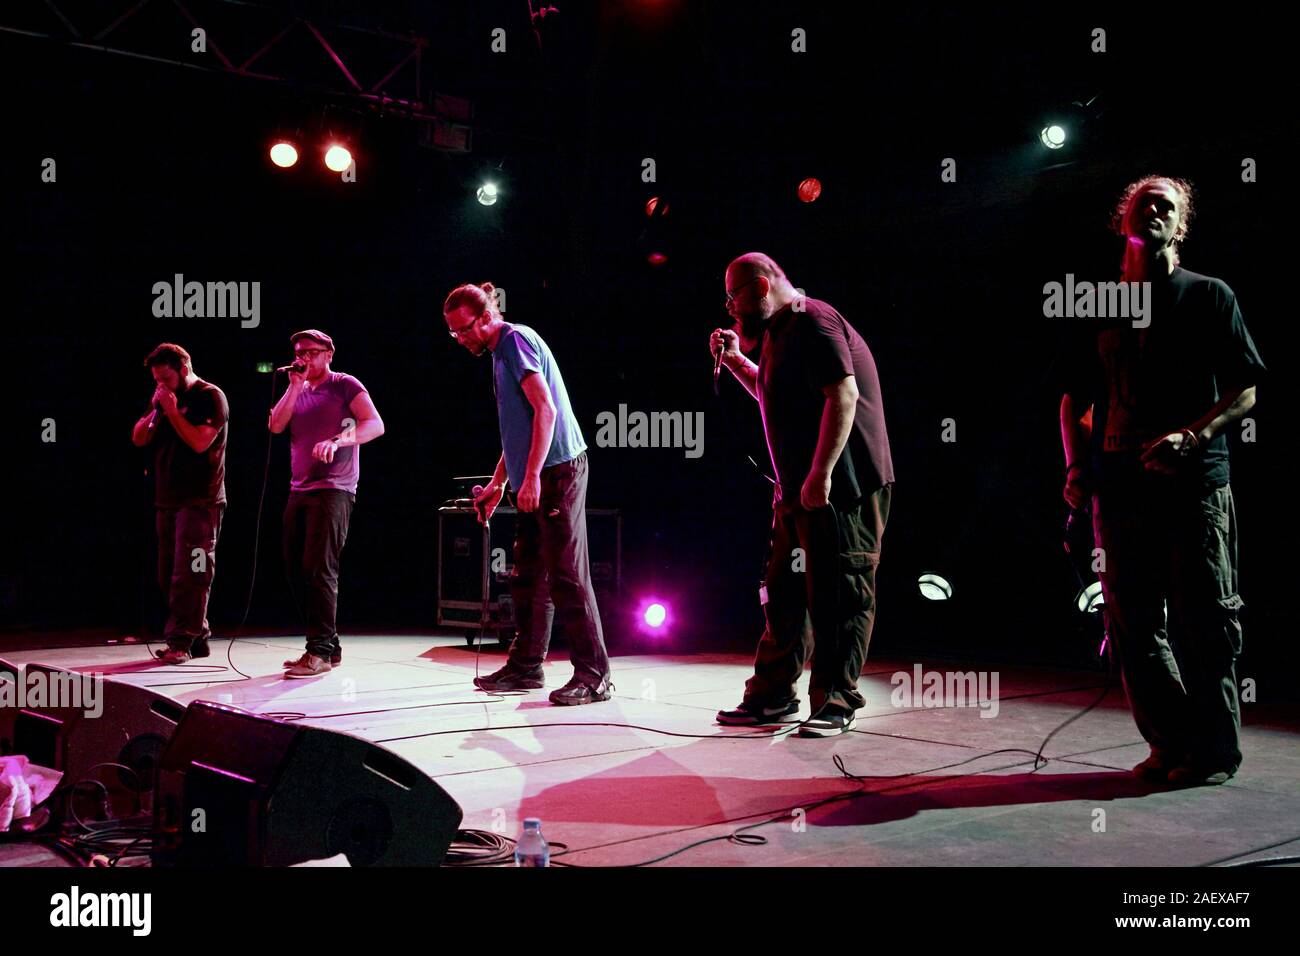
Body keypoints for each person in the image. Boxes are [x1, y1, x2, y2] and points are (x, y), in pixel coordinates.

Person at [1060, 176, 1264, 786]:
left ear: (1180, 227)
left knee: (1205, 620)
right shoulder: (1098, 304)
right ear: (1123, 219)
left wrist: (1195, 434)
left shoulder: (1209, 295)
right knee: (1130, 620)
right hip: (1119, 487)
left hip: (1194, 483)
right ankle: (1173, 742)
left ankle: (1215, 752)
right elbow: (1075, 399)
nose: (1154, 210)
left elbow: (1245, 389)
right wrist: (1076, 465)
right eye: (1143, 202)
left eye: (1167, 206)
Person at [710, 253, 894, 736]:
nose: (730, 308)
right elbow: (770, 393)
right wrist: (735, 363)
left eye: (734, 296)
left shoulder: (814, 320)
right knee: (783, 595)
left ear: (762, 285)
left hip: (843, 488)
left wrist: (821, 473)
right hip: (798, 491)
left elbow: (843, 394)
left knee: (839, 593)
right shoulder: (776, 335)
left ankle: (837, 700)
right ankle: (772, 696)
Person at [444, 282, 613, 705]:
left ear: (486, 318)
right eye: (453, 333)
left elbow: (546, 410)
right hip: (537, 473)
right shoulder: (499, 353)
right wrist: (500, 482)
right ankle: (526, 667)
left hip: (559, 469)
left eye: (463, 330)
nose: (460, 339)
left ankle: (595, 676)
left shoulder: (516, 340)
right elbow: (518, 430)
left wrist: (533, 476)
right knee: (527, 576)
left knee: (567, 577)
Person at [268, 329, 385, 678]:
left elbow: (375, 424)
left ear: (329, 353)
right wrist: (293, 386)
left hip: (335, 487)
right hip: (299, 488)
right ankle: (328, 646)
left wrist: (337, 440)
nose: (304, 358)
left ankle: (318, 652)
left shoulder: (344, 384)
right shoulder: (297, 389)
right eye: (299, 352)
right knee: (293, 568)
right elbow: (275, 426)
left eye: (311, 352)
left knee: (319, 567)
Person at [132, 343, 228, 665]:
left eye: (166, 378)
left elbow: (201, 442)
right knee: (166, 575)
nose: (161, 385)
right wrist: (157, 410)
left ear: (183, 369)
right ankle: (197, 638)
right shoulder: (161, 402)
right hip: (168, 501)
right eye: (156, 379)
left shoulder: (209, 396)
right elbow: (138, 438)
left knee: (191, 573)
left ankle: (180, 642)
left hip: (201, 501)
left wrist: (173, 412)